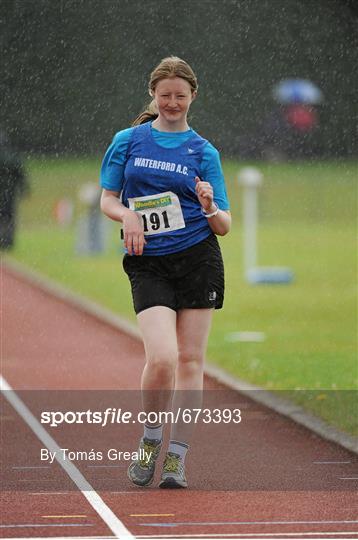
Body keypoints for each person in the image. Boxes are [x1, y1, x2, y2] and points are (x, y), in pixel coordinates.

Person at [100, 56, 231, 488]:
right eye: (164, 95)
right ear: (152, 96)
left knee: (192, 361)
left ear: (193, 96)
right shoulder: (128, 141)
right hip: (149, 261)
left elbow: (224, 225)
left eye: (180, 95)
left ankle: (177, 457)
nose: (172, 103)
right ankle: (151, 438)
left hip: (198, 258)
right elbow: (108, 199)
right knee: (162, 357)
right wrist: (128, 217)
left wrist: (210, 205)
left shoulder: (203, 151)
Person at [0, 129, 28, 249]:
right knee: (9, 216)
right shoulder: (12, 155)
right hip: (9, 193)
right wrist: (24, 188)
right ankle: (8, 241)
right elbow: (20, 174)